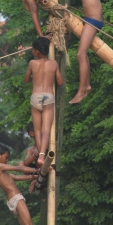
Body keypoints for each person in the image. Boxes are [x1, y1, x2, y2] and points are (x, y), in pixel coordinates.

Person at [61, 0, 103, 104]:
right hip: (91, 21)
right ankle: (85, 86)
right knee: (82, 54)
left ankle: (83, 88)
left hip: (92, 22)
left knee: (80, 54)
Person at [25, 37, 64, 167]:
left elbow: (26, 79)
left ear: (37, 51)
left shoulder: (32, 63)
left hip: (35, 96)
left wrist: (35, 78)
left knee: (38, 129)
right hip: (48, 96)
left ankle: (40, 156)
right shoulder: (53, 64)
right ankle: (42, 156)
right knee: (46, 129)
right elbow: (60, 82)